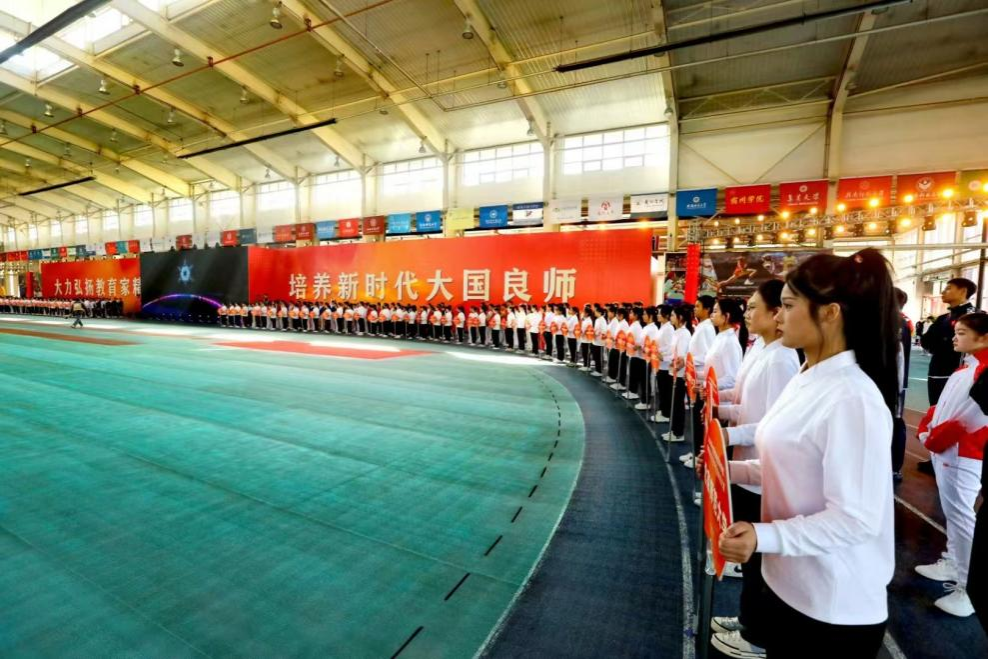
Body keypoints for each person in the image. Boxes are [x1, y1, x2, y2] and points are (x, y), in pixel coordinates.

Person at [717, 248, 898, 658]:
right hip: (789, 583)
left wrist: (765, 535)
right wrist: (731, 470)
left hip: (831, 606)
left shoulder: (853, 398)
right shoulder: (807, 376)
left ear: (830, 313)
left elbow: (855, 519)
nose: (778, 316)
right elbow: (793, 465)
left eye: (788, 306)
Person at [709, 280, 800, 659]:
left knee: (760, 561)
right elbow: (746, 404)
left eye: (752, 308)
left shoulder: (780, 360)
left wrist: (726, 436)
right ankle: (748, 620)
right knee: (751, 563)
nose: (745, 314)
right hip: (746, 462)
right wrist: (720, 409)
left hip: (761, 471)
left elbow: (769, 425)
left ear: (776, 313)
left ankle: (757, 636)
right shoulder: (762, 350)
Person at [914, 312, 988, 617]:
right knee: (955, 514)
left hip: (962, 453)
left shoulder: (983, 371)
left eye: (962, 333)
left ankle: (969, 589)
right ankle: (954, 563)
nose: (954, 338)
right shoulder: (966, 366)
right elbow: (942, 405)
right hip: (947, 450)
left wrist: (935, 438)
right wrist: (928, 426)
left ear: (984, 337)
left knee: (962, 516)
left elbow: (973, 418)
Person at [919, 278, 978, 474]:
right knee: (937, 414)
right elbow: (927, 341)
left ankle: (954, 461)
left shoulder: (974, 316)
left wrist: (942, 343)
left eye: (949, 288)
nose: (944, 292)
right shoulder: (944, 318)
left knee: (956, 417)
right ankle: (936, 457)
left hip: (959, 374)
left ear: (963, 291)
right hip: (937, 372)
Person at [892, 288, 912, 482]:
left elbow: (898, 360)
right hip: (888, 383)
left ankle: (894, 467)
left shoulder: (898, 323)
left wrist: (898, 387)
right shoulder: (890, 320)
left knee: (895, 422)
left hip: (893, 385)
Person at [666, 304, 694, 443]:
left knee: (678, 404)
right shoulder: (676, 332)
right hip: (674, 371)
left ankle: (678, 433)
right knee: (674, 402)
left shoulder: (684, 333)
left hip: (680, 374)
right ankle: (674, 429)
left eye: (672, 315)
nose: (670, 317)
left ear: (680, 317)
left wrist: (676, 366)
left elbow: (682, 356)